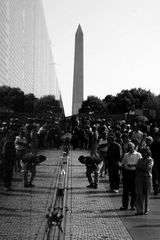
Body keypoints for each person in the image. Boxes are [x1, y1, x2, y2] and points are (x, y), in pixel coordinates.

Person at [120, 142, 142, 210]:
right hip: (127, 172)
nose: (130, 148)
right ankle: (125, 205)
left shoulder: (138, 155)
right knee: (125, 190)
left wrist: (133, 165)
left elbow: (140, 164)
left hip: (135, 172)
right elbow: (123, 164)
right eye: (129, 147)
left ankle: (133, 205)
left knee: (134, 190)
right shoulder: (126, 155)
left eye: (131, 147)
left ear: (134, 147)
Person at [135, 147, 154, 215]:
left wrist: (140, 167)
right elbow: (137, 168)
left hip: (147, 177)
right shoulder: (140, 159)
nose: (142, 153)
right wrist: (142, 167)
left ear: (147, 153)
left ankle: (146, 209)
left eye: (144, 152)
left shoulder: (150, 160)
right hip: (139, 177)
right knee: (139, 194)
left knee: (146, 194)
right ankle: (139, 210)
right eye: (142, 152)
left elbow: (148, 169)